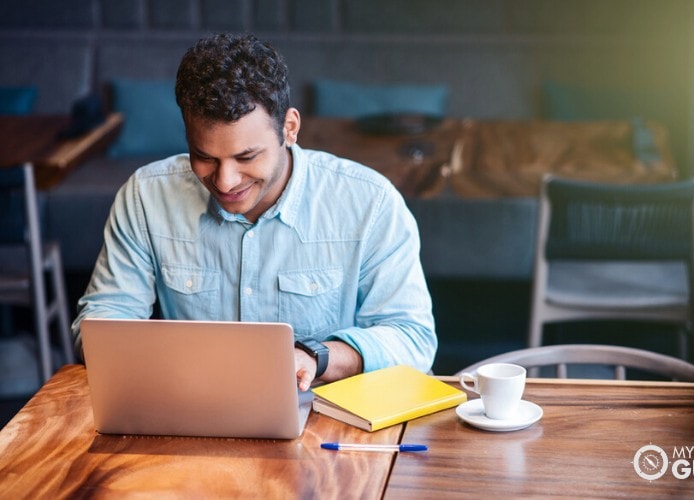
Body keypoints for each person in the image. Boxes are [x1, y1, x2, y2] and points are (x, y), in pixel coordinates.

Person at [72, 33, 437, 391]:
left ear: (289, 128)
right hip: (188, 411)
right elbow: (100, 326)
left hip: (325, 424)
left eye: (247, 157)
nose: (226, 181)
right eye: (204, 157)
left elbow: (413, 340)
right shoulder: (145, 197)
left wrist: (316, 358)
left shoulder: (370, 202)